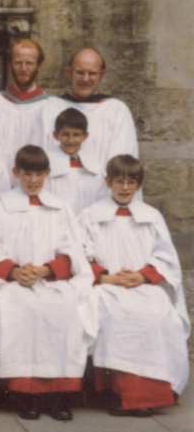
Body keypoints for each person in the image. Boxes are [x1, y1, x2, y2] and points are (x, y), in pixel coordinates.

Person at [0, 145, 96, 422]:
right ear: (15, 173)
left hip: (50, 281)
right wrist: (13, 272)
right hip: (13, 283)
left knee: (65, 309)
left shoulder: (59, 208)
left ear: (47, 173)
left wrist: (47, 270)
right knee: (20, 310)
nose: (32, 181)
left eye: (38, 174)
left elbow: (72, 251)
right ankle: (26, 395)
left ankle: (59, 396)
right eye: (26, 174)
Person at [80, 155, 189, 417]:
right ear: (108, 182)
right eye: (119, 181)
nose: (125, 188)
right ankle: (120, 392)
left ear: (139, 185)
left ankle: (154, 392)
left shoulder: (150, 216)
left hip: (143, 285)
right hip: (106, 285)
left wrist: (141, 277)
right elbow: (80, 255)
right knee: (116, 316)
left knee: (158, 314)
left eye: (131, 182)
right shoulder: (91, 215)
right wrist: (105, 277)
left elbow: (165, 258)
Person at [41, 48, 139, 171]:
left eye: (92, 73)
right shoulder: (51, 108)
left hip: (103, 188)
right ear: (69, 72)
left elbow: (123, 162)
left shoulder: (117, 111)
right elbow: (40, 157)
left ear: (102, 75)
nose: (85, 79)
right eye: (80, 72)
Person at [0, 39, 56, 173]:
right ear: (9, 64)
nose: (23, 69)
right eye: (18, 63)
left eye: (29, 63)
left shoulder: (52, 106)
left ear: (39, 66)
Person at [43, 108, 107, 214]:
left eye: (76, 134)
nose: (71, 140)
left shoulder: (94, 165)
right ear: (56, 135)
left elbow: (101, 198)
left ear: (85, 136)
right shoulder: (46, 163)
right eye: (65, 134)